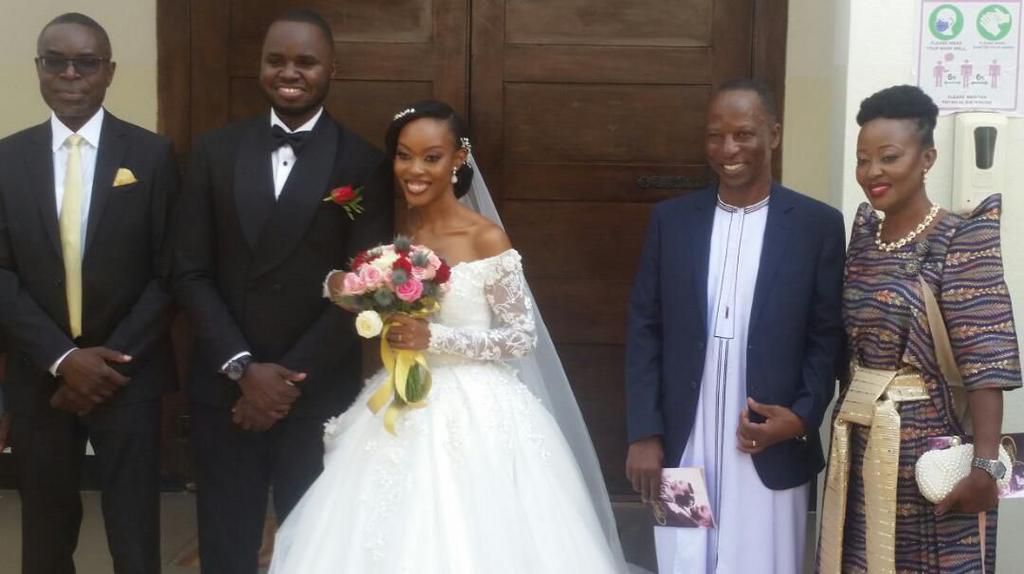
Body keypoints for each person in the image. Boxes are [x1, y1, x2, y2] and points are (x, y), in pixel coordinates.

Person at [267, 100, 626, 573]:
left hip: (476, 407)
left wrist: (433, 339)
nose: (414, 170)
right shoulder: (399, 234)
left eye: (431, 157)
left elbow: (520, 337)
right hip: (403, 396)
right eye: (404, 156)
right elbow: (368, 297)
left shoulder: (484, 237)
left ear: (458, 159)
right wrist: (348, 289)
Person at [172, 8, 392, 573]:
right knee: (226, 543)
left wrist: (285, 382)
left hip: (313, 390)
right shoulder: (213, 152)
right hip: (226, 387)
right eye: (276, 60)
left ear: (332, 69)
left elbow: (365, 286)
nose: (289, 72)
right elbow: (189, 271)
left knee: (311, 546)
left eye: (306, 62)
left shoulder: (364, 163)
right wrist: (243, 369)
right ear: (260, 66)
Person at [624, 79, 846, 573]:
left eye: (743, 134)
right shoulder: (672, 221)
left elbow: (827, 337)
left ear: (774, 135)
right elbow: (645, 328)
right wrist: (645, 432)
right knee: (682, 556)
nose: (728, 149)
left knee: (763, 560)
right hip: (683, 435)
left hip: (769, 437)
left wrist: (801, 418)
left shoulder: (816, 225)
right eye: (715, 136)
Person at [816, 84, 1021, 573]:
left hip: (931, 452)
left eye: (889, 157)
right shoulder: (863, 239)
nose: (872, 172)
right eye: (863, 160)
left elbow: (986, 362)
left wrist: (985, 467)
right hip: (860, 440)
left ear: (927, 158)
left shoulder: (960, 239)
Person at [0, 12, 178, 573]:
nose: (70, 74)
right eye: (56, 61)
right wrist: (62, 359)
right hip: (40, 376)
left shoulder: (152, 156)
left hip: (128, 374)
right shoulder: (6, 159)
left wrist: (106, 363)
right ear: (38, 69)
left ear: (109, 72)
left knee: (134, 533)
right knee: (44, 533)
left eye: (86, 63)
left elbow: (169, 272)